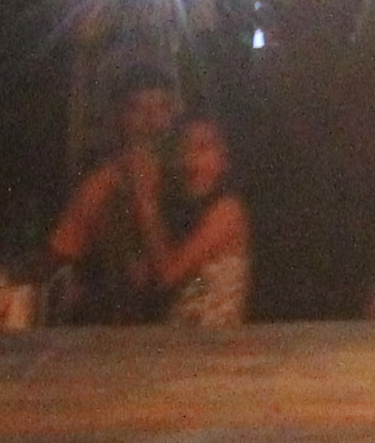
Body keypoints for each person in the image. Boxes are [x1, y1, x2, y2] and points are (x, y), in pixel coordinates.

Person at [48, 70, 183, 323]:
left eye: (162, 109)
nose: (152, 121)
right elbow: (60, 257)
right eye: (139, 110)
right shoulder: (102, 185)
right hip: (117, 326)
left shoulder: (188, 179)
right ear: (120, 117)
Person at [133, 116, 252, 327]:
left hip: (213, 347)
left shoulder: (227, 211)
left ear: (224, 160)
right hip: (184, 341)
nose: (191, 159)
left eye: (203, 148)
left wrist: (146, 202)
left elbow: (168, 275)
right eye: (185, 149)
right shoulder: (188, 213)